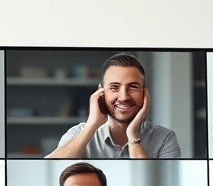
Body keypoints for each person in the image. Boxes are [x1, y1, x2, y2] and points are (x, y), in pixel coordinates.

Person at [47, 53, 180, 159]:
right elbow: (53, 171)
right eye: (114, 87)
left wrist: (133, 135)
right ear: (101, 92)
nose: (124, 97)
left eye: (133, 87)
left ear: (145, 93)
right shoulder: (77, 133)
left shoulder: (165, 139)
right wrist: (92, 125)